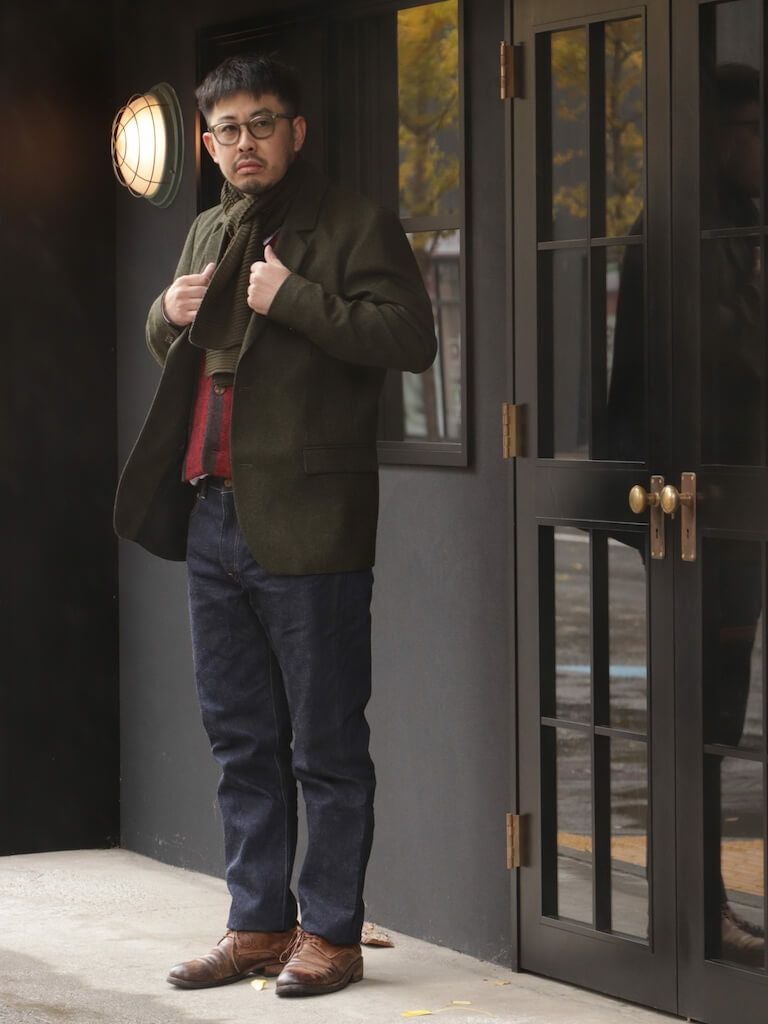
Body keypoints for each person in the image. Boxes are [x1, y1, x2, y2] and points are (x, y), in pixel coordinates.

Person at [114, 54, 436, 997]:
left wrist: (291, 296)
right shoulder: (208, 226)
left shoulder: (354, 222)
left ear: (296, 131)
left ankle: (330, 933)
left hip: (309, 519)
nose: (244, 143)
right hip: (212, 514)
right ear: (210, 146)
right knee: (241, 739)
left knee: (324, 744)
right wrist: (164, 314)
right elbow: (189, 351)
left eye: (261, 124)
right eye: (227, 130)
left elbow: (410, 338)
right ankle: (257, 925)